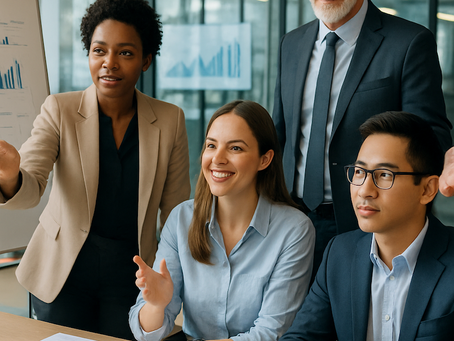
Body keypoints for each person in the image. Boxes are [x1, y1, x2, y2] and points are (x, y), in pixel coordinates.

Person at [0, 0, 190, 339]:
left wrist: (177, 282)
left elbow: (176, 212)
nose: (109, 64)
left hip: (130, 275)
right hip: (63, 272)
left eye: (126, 53)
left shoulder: (170, 119)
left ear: (146, 60)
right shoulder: (60, 109)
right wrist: (11, 175)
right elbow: (31, 186)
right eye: (98, 50)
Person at [273, 0, 452, 275]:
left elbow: (430, 139)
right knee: (296, 317)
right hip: (291, 221)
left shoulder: (409, 42)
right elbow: (280, 134)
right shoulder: (291, 43)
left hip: (367, 224)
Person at [129, 100, 316, 341]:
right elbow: (146, 335)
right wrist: (157, 304)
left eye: (235, 148)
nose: (217, 159)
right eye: (211, 145)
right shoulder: (181, 219)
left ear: (264, 159)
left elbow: (271, 332)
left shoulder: (294, 230)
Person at [280, 111, 454, 341]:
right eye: (360, 172)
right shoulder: (340, 253)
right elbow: (302, 336)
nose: (364, 190)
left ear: (427, 190)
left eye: (384, 175)